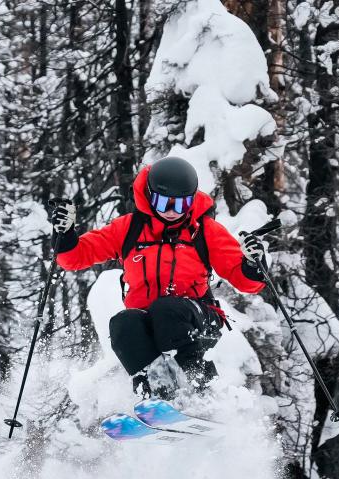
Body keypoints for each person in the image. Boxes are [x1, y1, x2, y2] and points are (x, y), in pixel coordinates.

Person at [52, 156, 267, 399]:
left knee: (166, 309)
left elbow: (247, 283)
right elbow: (74, 257)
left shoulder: (204, 231)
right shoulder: (130, 228)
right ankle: (155, 397)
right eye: (164, 203)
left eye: (181, 204)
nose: (172, 212)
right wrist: (65, 235)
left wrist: (252, 263)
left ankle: (203, 393)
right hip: (149, 322)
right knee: (124, 323)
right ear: (150, 197)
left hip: (196, 318)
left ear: (192, 200)